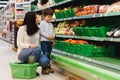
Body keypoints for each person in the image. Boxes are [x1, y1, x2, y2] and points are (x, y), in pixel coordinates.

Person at [40, 8, 55, 73]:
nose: (49, 18)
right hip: (44, 41)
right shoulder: (42, 23)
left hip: (49, 42)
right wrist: (48, 37)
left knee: (49, 54)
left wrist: (53, 37)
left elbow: (53, 32)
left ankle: (48, 66)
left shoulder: (51, 24)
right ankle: (44, 68)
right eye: (48, 17)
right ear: (44, 16)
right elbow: (41, 32)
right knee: (45, 53)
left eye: (51, 17)